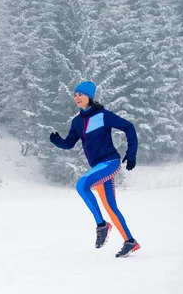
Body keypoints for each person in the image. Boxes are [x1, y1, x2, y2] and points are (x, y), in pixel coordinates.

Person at [49, 80, 141, 258]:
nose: (77, 97)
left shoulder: (103, 115)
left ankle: (102, 225)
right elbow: (69, 144)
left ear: (89, 97)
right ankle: (130, 241)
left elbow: (129, 127)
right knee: (110, 206)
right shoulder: (77, 122)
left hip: (110, 162)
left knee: (82, 185)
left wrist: (131, 154)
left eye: (80, 94)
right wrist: (57, 141)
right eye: (75, 94)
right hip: (97, 167)